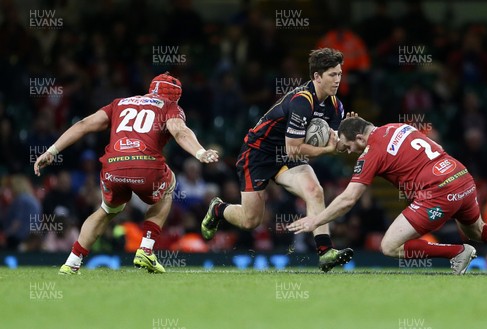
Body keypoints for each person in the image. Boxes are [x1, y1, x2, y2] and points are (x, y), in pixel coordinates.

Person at [288, 117, 487, 275]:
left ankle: (457, 252)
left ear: (360, 138)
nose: (349, 152)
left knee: (389, 246)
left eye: (349, 147)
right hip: (462, 178)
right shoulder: (398, 126)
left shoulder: (371, 152)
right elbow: (436, 145)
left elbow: (348, 199)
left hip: (438, 193)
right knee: (478, 229)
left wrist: (316, 221)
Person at [34, 72, 219, 274]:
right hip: (146, 167)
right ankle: (146, 249)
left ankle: (71, 263)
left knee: (106, 210)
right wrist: (200, 152)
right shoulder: (170, 106)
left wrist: (52, 151)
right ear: (175, 96)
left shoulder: (119, 103)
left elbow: (83, 125)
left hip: (113, 167)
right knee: (170, 183)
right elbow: (180, 131)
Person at [201, 48, 353, 272]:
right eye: (332, 75)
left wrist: (349, 139)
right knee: (250, 221)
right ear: (317, 77)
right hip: (258, 153)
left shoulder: (335, 106)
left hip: (285, 156)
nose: (338, 80)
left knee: (315, 190)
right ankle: (218, 209)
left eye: (339, 74)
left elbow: (335, 143)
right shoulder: (302, 101)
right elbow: (294, 150)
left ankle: (325, 252)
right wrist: (328, 151)